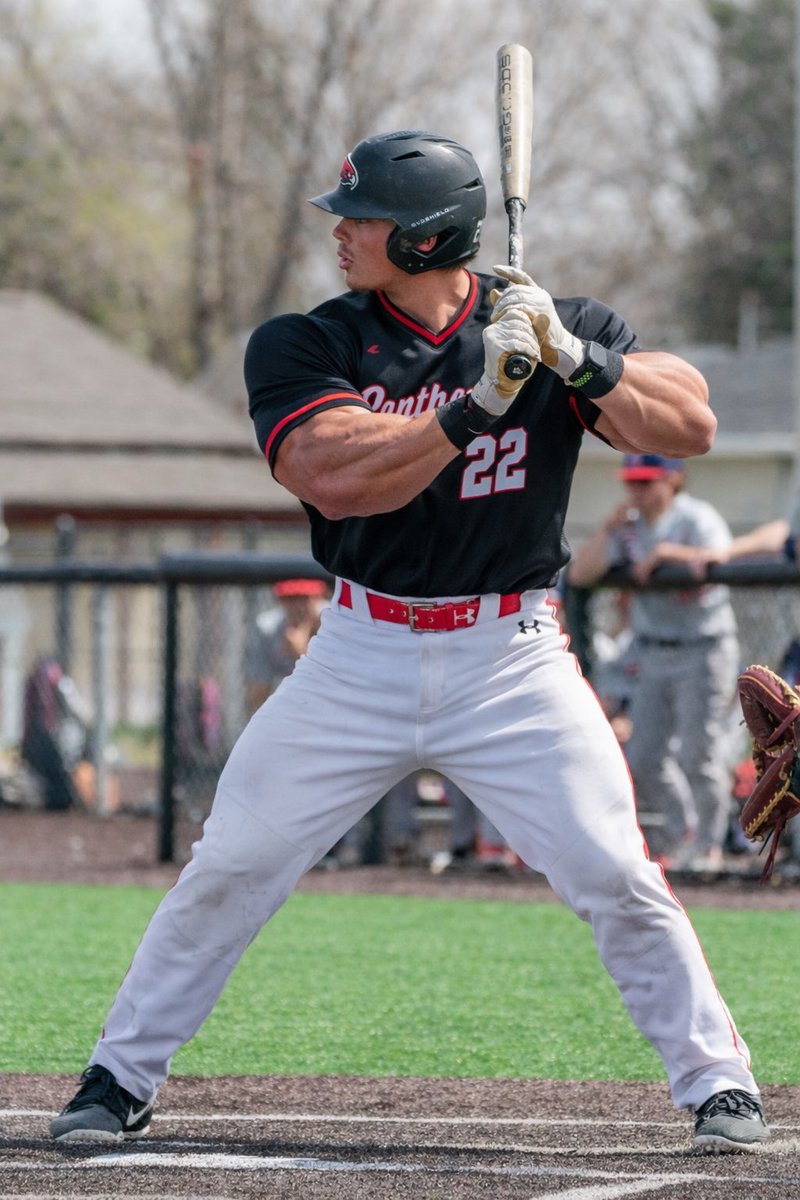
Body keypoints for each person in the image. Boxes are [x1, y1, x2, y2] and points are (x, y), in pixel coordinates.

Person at [51, 130, 768, 1153]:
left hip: (511, 657)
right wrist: (475, 408)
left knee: (613, 869)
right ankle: (120, 1077)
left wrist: (577, 361)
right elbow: (335, 473)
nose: (341, 232)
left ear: (428, 236)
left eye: (365, 218)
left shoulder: (553, 325)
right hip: (357, 654)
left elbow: (687, 423)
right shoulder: (309, 342)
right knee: (233, 862)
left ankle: (717, 1082)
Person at [568, 454, 740, 872]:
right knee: (644, 757)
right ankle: (684, 836)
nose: (636, 489)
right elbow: (580, 576)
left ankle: (709, 847)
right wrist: (608, 528)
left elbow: (723, 555)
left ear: (672, 480)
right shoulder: (628, 528)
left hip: (703, 647)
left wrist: (667, 553)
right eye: (632, 481)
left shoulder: (695, 516)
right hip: (651, 651)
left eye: (646, 481)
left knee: (700, 755)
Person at [245, 577, 329, 714]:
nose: (297, 606)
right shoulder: (268, 628)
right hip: (284, 711)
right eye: (290, 599)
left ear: (319, 597)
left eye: (304, 598)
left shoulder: (334, 623)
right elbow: (257, 694)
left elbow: (335, 688)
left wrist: (301, 653)